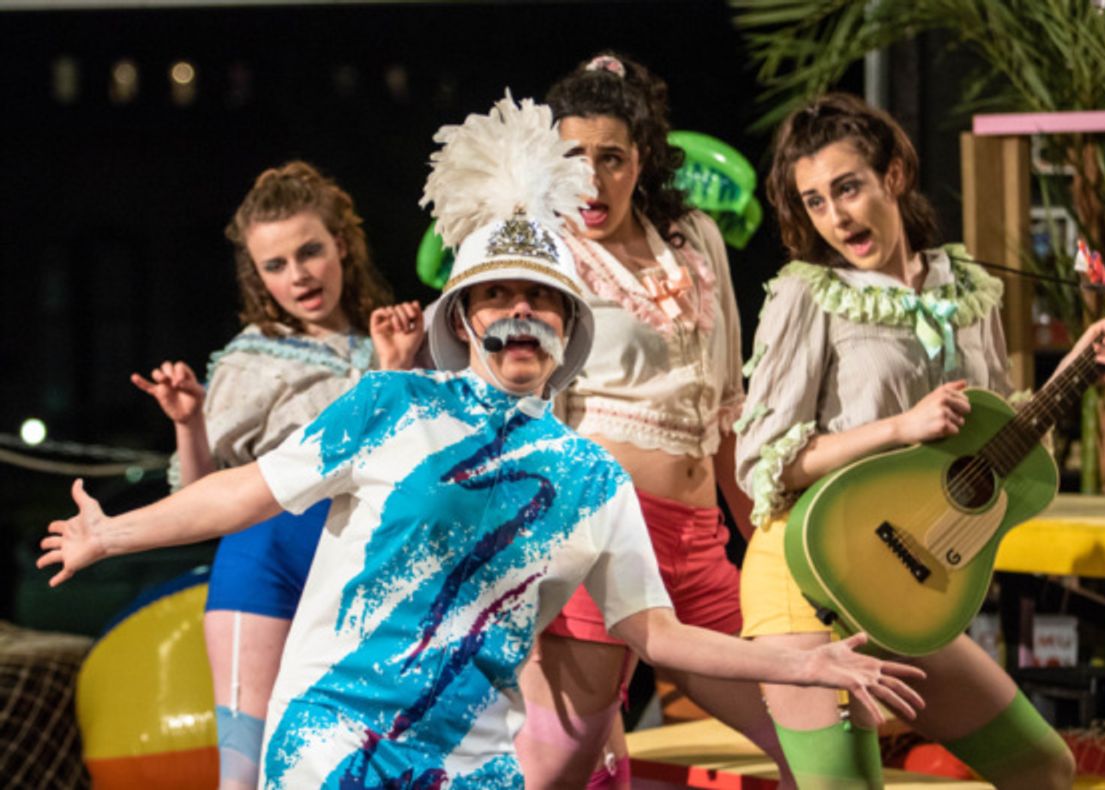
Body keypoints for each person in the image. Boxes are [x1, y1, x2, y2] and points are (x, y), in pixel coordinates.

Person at [41, 92, 925, 789]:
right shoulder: (388, 403)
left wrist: (796, 658)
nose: (519, 314)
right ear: (462, 317)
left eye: (541, 301)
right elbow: (249, 492)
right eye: (497, 297)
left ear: (568, 330)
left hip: (471, 772)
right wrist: (111, 532)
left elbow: (656, 634)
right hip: (327, 750)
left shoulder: (588, 476)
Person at [734, 92, 1105, 789]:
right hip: (804, 580)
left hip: (898, 583)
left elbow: (991, 436)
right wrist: (900, 427)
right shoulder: (807, 295)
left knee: (1044, 768)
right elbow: (768, 466)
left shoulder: (968, 291)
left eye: (848, 188)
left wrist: (1078, 367)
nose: (835, 217)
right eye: (814, 202)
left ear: (893, 176)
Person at [514, 51, 788, 789]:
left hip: (700, 543)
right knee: (558, 771)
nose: (594, 181)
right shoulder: (545, 257)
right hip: (598, 544)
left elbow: (729, 408)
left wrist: (768, 545)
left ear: (644, 159)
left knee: (808, 731)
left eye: (613, 158)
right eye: (575, 158)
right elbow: (525, 423)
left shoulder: (694, 238)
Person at [129, 160, 424, 789]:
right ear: (258, 276)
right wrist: (189, 422)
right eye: (276, 265)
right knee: (244, 774)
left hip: (362, 572)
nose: (300, 276)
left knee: (363, 768)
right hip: (261, 569)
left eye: (310, 251)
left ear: (341, 243)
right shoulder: (249, 359)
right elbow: (196, 496)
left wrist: (399, 367)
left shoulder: (395, 341)